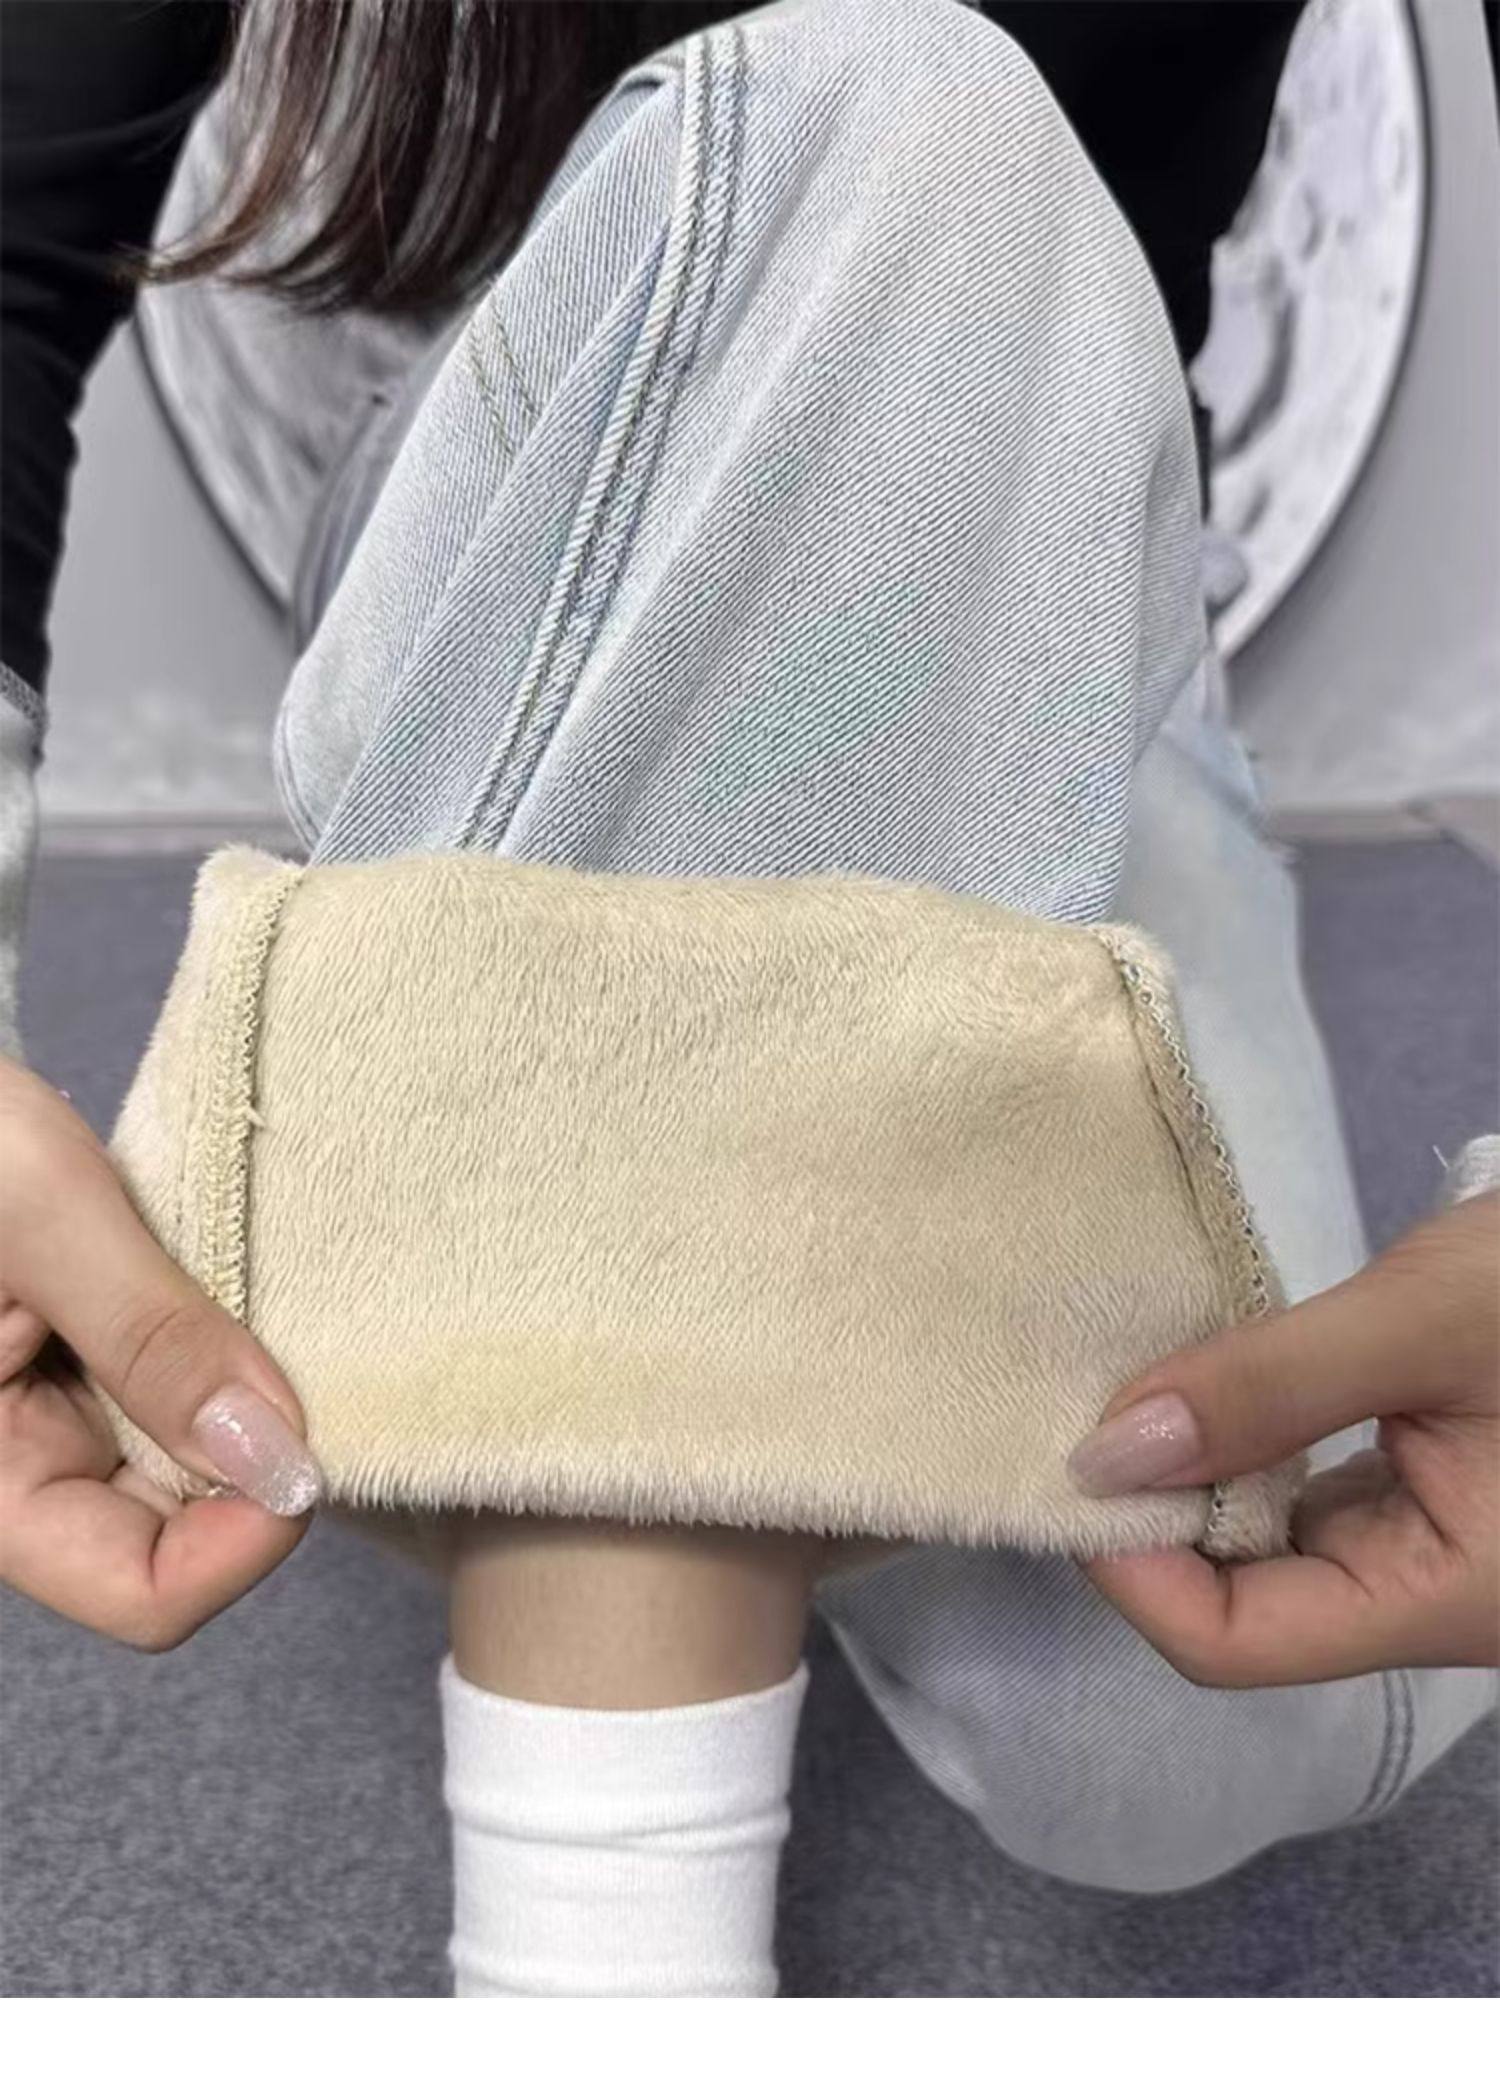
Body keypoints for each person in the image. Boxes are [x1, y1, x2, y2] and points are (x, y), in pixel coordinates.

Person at [0, 0, 1494, 1997]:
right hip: (518, 543)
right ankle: (599, 1988)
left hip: (1068, 636)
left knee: (1201, 1726)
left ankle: (590, 1333)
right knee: (907, 113)